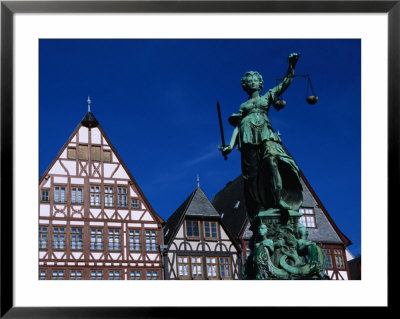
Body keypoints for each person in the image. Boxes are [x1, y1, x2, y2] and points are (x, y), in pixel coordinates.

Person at [222, 53, 303, 226]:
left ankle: (278, 198)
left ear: (260, 83)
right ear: (245, 86)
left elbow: (285, 83)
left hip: (265, 135)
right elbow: (237, 126)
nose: (252, 82)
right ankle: (258, 206)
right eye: (248, 81)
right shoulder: (243, 107)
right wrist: (230, 145)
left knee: (272, 163)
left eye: (255, 80)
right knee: (252, 176)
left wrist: (291, 66)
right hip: (247, 139)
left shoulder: (266, 97)